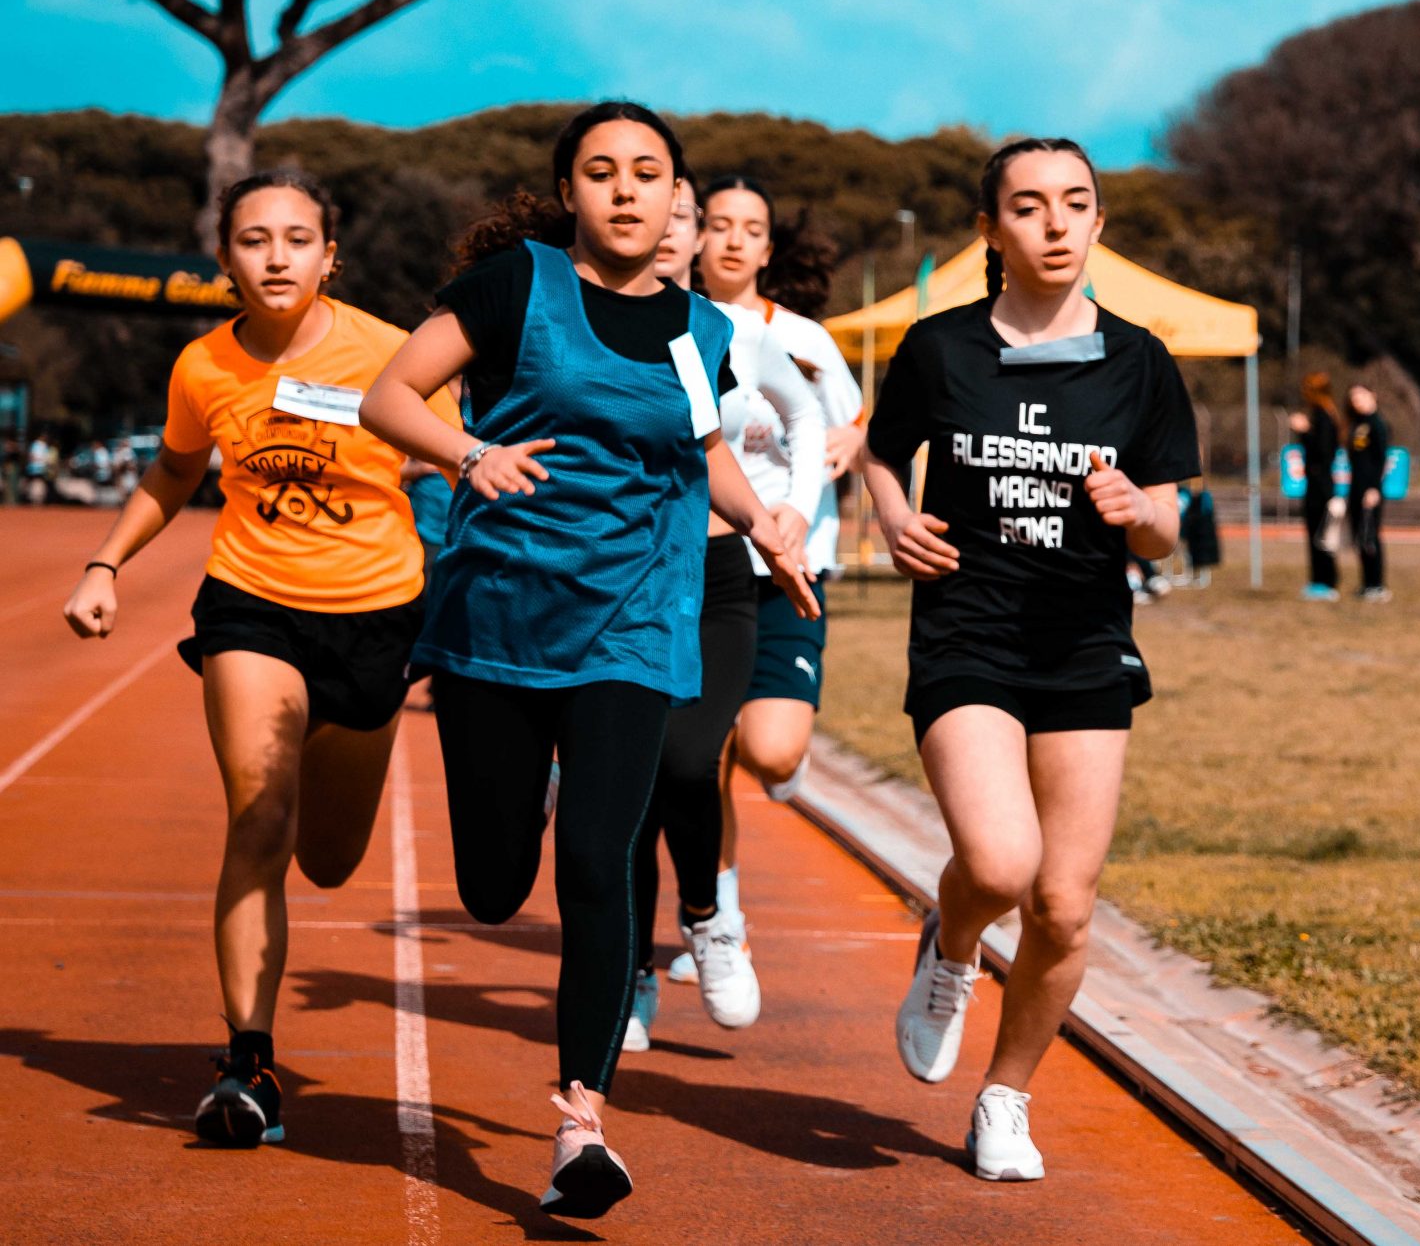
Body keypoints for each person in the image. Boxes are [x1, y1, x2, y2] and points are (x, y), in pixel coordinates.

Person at [360, 102, 817, 1220]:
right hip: (500, 623)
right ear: (568, 191)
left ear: (676, 198)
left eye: (647, 173)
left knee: (599, 864)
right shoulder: (514, 285)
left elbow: (703, 448)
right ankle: (524, 799)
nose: (624, 190)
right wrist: (469, 452)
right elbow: (386, 397)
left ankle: (581, 1122)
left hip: (635, 625)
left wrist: (764, 524)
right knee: (493, 886)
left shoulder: (699, 329)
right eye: (601, 171)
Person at [62, 171, 452, 1149]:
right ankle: (248, 1062)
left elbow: (457, 468)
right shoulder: (202, 365)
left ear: (330, 256)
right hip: (252, 601)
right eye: (253, 239)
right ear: (224, 257)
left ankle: (320, 752)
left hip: (375, 616)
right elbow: (174, 468)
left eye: (297, 238)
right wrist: (106, 563)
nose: (276, 256)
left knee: (329, 859)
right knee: (260, 813)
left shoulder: (393, 353)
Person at [860, 136, 1200, 1182]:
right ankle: (953, 944)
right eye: (1028, 205)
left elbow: (1166, 528)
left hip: (1084, 644)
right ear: (990, 229)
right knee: (1002, 865)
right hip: (968, 633)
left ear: (1098, 220)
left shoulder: (1140, 361)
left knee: (1062, 903)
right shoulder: (939, 347)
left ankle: (1005, 1097)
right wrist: (893, 520)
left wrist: (1138, 509)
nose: (1055, 222)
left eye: (1075, 202)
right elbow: (881, 451)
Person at [620, 176, 826, 1054]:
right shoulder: (576, 318)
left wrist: (795, 511)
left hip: (717, 575)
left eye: (685, 218)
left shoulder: (734, 329)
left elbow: (806, 413)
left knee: (688, 758)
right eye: (660, 216)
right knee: (625, 780)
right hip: (617, 582)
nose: (670, 230)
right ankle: (629, 974)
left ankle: (707, 917)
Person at [1290, 373, 1342, 601]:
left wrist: (1303, 431)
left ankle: (1325, 581)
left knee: (1321, 535)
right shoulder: (1325, 415)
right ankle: (1318, 580)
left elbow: (1321, 452)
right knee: (1316, 535)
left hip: (1321, 486)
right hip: (1318, 483)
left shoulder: (1323, 416)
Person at [1343, 383, 1391, 602]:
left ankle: (1377, 585)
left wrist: (1373, 488)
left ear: (1373, 395)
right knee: (1360, 537)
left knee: (1370, 536)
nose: (1357, 401)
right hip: (1356, 486)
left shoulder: (1377, 424)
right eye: (1353, 398)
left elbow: (1380, 459)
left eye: (1361, 396)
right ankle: (1366, 583)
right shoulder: (1357, 424)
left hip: (1370, 489)